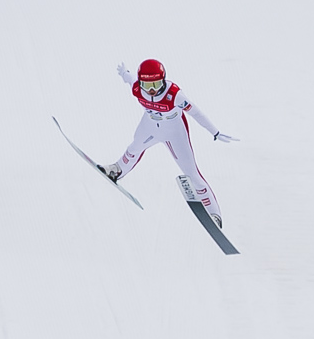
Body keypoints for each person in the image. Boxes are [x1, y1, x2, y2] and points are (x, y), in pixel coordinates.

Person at [101, 59, 237, 226]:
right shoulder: (138, 88)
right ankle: (116, 170)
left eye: (156, 84)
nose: (151, 90)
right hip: (150, 126)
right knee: (134, 147)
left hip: (175, 133)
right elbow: (131, 80)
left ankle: (213, 214)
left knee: (192, 172)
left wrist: (215, 132)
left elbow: (196, 113)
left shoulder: (174, 94)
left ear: (163, 80)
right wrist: (124, 73)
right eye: (147, 85)